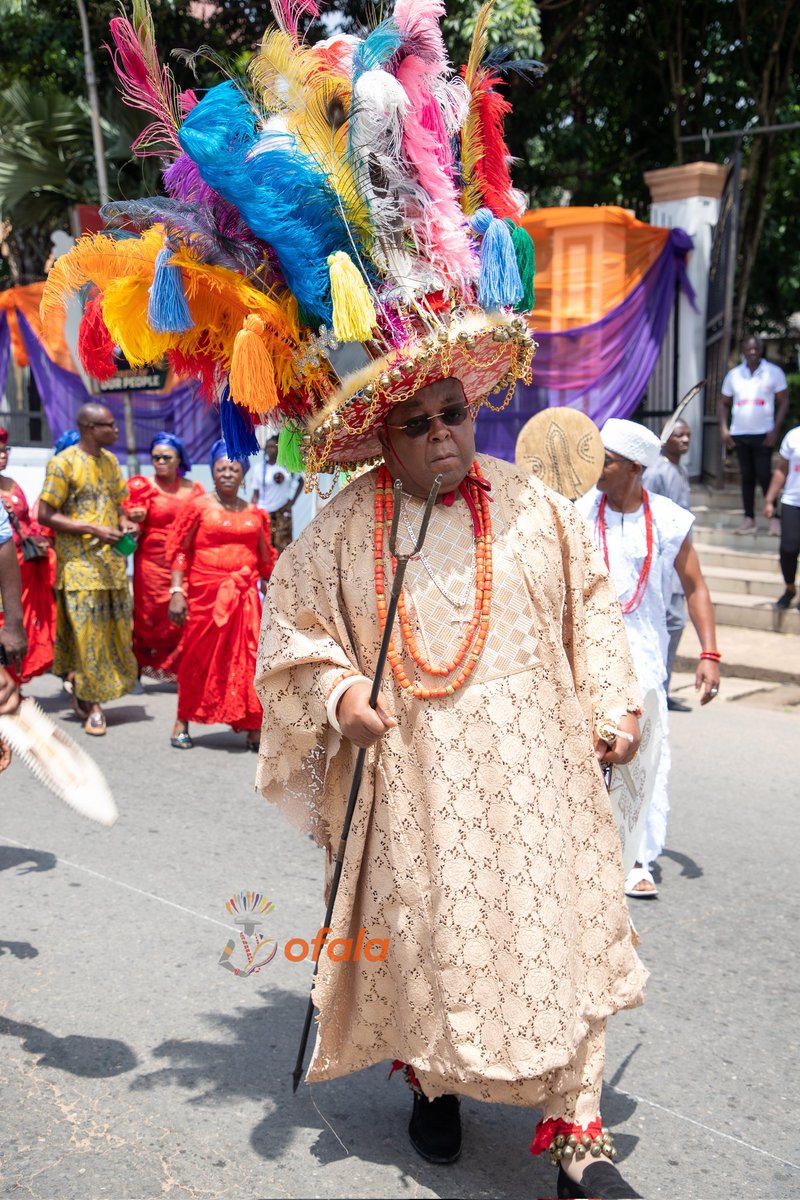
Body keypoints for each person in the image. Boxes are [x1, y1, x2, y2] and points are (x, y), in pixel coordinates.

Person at [48, 5, 648, 1193]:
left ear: (476, 410)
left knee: (561, 948)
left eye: (452, 413)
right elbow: (295, 640)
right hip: (418, 786)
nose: (437, 434)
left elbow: (592, 613)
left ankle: (573, 1126)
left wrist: (614, 708)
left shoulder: (528, 502)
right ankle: (427, 1081)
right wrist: (336, 698)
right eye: (413, 419)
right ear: (378, 428)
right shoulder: (339, 529)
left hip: (539, 782)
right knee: (430, 950)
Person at [576, 419, 721, 900]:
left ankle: (638, 857)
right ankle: (586, 852)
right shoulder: (579, 511)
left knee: (647, 756)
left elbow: (696, 587)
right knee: (586, 750)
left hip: (644, 653)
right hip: (585, 648)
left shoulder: (669, 519)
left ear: (635, 468)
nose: (597, 466)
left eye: (608, 460)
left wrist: (709, 653)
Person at [165, 441, 276, 751]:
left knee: (248, 659)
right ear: (213, 472)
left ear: (243, 474)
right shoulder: (198, 507)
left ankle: (252, 724)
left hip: (245, 599)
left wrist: (276, 591)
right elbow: (179, 552)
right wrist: (177, 591)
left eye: (234, 468)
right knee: (196, 657)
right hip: (205, 597)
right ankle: (182, 720)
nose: (227, 473)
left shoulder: (256, 513)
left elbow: (266, 559)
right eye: (221, 468)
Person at [37, 403, 139, 736]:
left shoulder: (110, 462)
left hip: (111, 566)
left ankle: (84, 690)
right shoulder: (62, 464)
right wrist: (93, 529)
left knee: (115, 633)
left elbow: (118, 506)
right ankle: (93, 705)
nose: (116, 430)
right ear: (89, 429)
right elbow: (44, 514)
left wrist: (125, 524)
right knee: (87, 636)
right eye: (110, 425)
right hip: (79, 567)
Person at [124, 432, 204, 679]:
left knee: (182, 614)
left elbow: (202, 522)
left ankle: (179, 671)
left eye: (166, 457)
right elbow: (126, 520)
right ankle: (139, 668)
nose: (160, 461)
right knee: (147, 616)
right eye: (155, 457)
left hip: (183, 560)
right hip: (150, 562)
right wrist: (131, 521)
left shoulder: (195, 489)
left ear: (179, 459)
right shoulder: (142, 487)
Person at [642, 419, 692, 710]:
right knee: (669, 622)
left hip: (679, 561)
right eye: (679, 434)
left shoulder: (681, 470)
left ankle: (661, 687)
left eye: (688, 435)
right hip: (661, 561)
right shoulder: (657, 472)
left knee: (674, 623)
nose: (685, 440)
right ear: (666, 440)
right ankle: (654, 689)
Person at [0, 427, 55, 682]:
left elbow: (27, 520)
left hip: (21, 564)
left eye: (5, 450)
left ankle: (16, 682)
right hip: (9, 564)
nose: (2, 456)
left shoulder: (12, 484)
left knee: (21, 623)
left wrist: (36, 537)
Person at [719, 335, 788, 535]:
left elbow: (783, 401)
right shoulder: (734, 375)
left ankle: (774, 518)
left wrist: (775, 430)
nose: (752, 352)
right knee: (747, 477)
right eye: (748, 349)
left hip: (763, 434)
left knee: (765, 475)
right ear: (743, 350)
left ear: (761, 350)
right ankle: (749, 518)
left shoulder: (773, 373)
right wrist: (724, 429)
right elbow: (723, 403)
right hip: (740, 433)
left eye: (755, 348)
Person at [763, 423, 800, 611]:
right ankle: (790, 588)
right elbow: (781, 470)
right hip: (793, 501)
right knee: (788, 549)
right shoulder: (793, 436)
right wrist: (770, 500)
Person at [251, 436, 304, 554]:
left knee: (283, 545)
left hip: (282, 511)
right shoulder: (259, 468)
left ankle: (281, 571)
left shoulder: (286, 466)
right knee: (264, 546)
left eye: (273, 447)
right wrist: (251, 511)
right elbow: (255, 494)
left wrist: (292, 501)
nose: (271, 450)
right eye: (268, 447)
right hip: (264, 512)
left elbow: (300, 481)